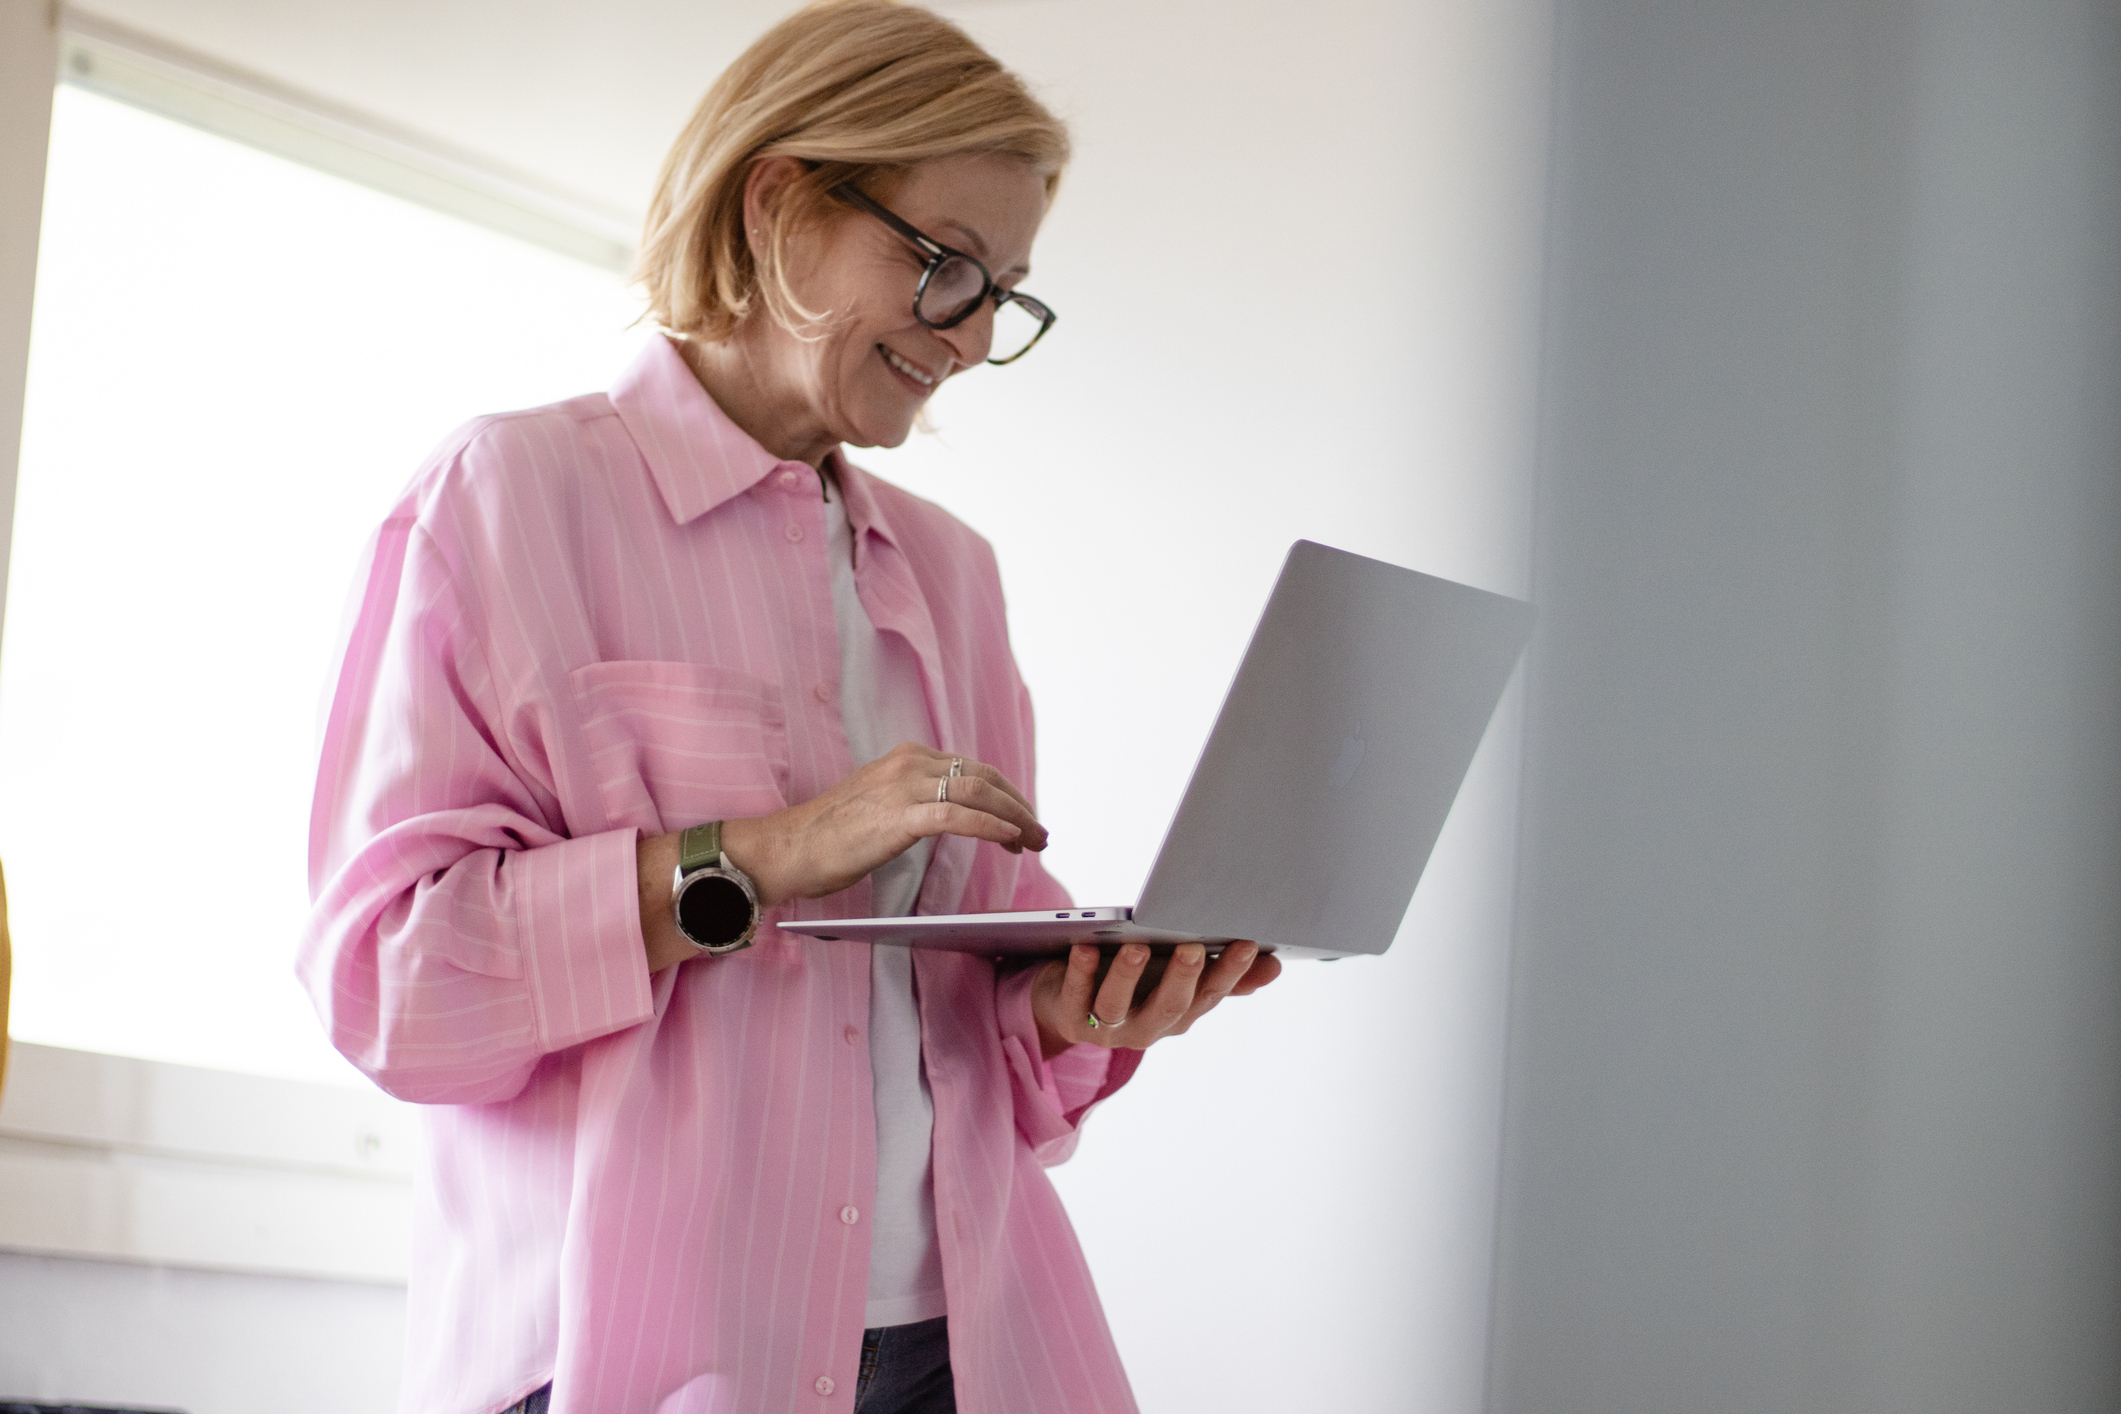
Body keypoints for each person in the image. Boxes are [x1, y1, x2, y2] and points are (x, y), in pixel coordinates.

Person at [299, 4, 1280, 1411]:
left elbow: (963, 1036)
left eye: (1005, 291)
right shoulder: (511, 495)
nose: (970, 330)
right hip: (642, 1350)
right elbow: (392, 985)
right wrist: (762, 853)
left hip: (965, 1345)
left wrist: (1075, 1011)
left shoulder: (953, 576)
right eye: (942, 264)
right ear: (779, 201)